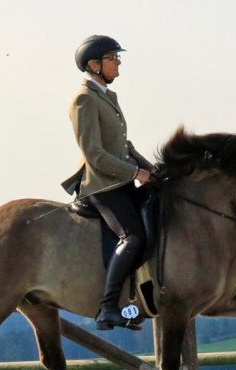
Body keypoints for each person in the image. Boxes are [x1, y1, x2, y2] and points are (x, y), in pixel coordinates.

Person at [61, 35, 154, 331]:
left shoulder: (107, 95)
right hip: (101, 185)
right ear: (94, 64)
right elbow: (94, 154)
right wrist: (134, 173)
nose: (118, 62)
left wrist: (151, 168)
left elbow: (123, 145)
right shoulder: (83, 99)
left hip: (120, 180)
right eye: (113, 58)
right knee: (133, 236)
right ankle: (107, 308)